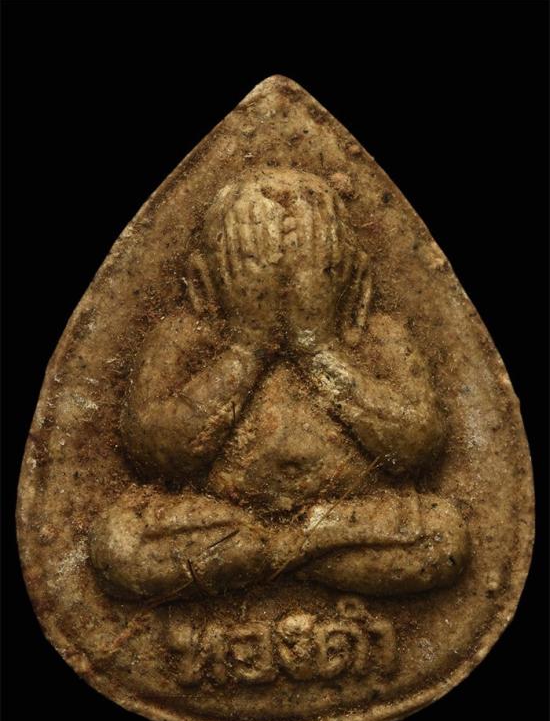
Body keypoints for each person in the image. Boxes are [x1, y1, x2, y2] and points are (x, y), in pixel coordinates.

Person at [90, 169, 468, 602]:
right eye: (254, 266)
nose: (285, 291)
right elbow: (154, 454)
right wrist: (247, 347)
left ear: (357, 284)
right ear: (203, 284)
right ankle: (291, 554)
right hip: (223, 518)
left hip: (343, 519)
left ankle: (262, 557)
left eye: (310, 272)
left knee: (443, 536)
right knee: (120, 544)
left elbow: (417, 447)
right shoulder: (183, 336)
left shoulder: (379, 336)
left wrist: (317, 346)